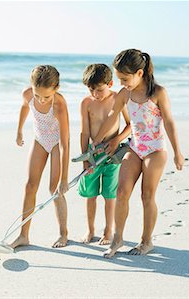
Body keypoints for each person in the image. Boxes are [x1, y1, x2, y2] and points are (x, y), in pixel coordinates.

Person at [91, 49, 184, 258]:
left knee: (147, 195)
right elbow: (111, 116)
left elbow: (169, 122)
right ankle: (118, 239)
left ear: (140, 73)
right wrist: (96, 141)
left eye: (125, 78)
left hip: (156, 150)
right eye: (119, 79)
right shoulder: (125, 93)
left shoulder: (158, 92)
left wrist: (178, 152)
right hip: (135, 147)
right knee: (121, 192)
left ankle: (146, 241)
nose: (122, 83)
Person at [10, 65, 70, 249]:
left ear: (56, 89)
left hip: (56, 144)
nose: (41, 100)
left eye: (46, 96)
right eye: (37, 95)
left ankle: (63, 233)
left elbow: (65, 143)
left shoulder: (59, 104)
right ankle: (23, 235)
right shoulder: (28, 94)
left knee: (54, 188)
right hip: (39, 140)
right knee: (30, 186)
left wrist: (64, 178)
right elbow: (24, 107)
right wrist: (19, 130)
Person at [78, 64, 131, 245]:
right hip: (93, 156)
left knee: (110, 196)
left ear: (110, 83)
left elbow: (130, 124)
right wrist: (85, 159)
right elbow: (84, 133)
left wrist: (117, 140)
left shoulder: (118, 98)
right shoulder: (86, 103)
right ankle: (90, 230)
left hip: (113, 155)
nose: (95, 94)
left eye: (99, 90)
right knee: (90, 195)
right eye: (91, 89)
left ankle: (108, 231)